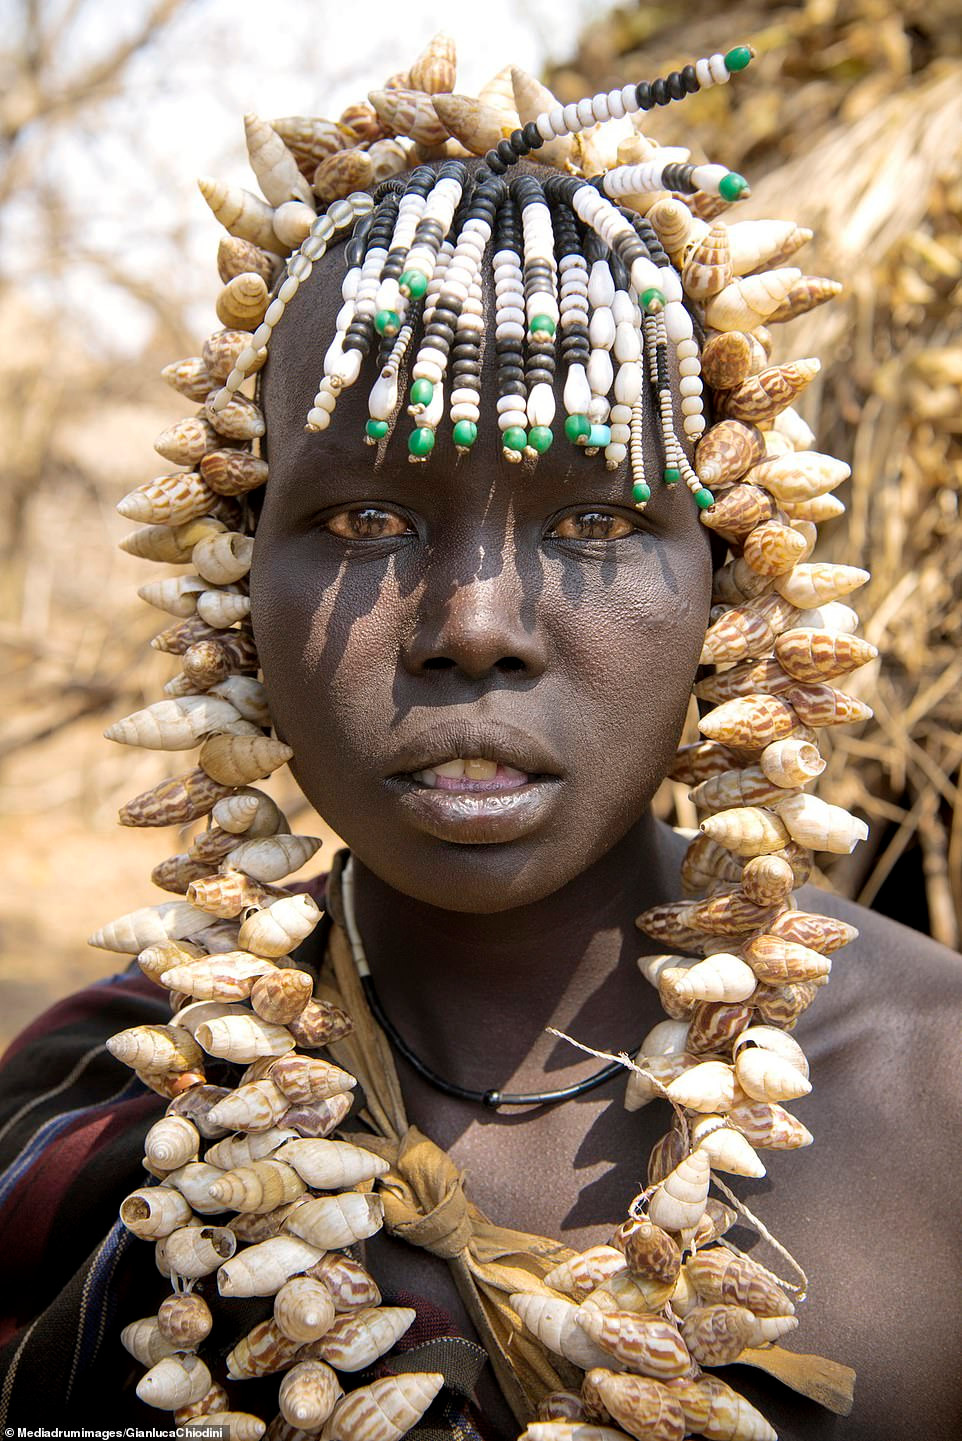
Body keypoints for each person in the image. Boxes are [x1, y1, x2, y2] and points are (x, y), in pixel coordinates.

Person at [0, 35, 959, 1441]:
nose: (474, 623)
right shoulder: (105, 1115)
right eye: (365, 520)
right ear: (233, 586)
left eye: (593, 518)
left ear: (730, 587)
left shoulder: (933, 1093)